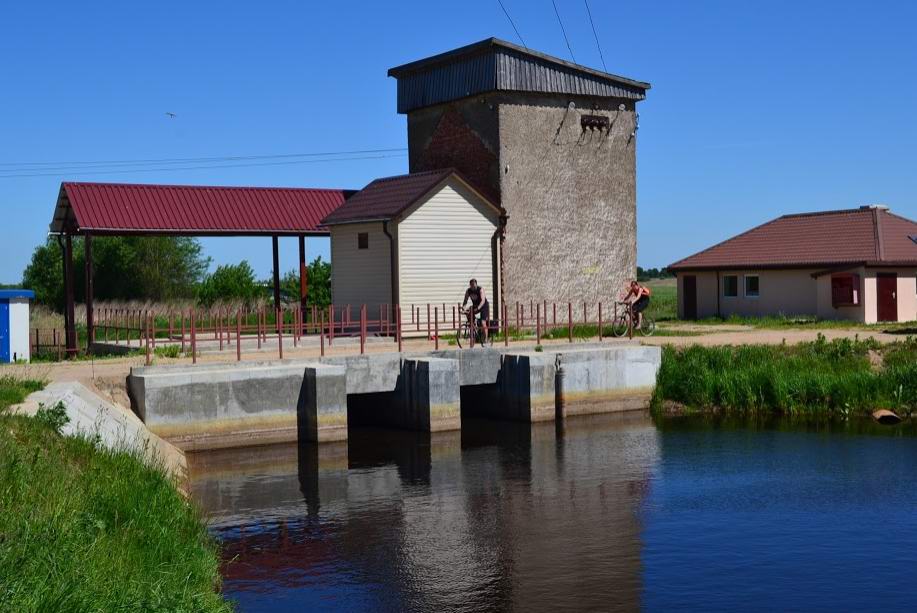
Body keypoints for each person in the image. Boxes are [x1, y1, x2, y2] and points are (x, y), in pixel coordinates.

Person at [462, 278, 490, 342]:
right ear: (470, 285)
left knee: (483, 323)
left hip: (483, 306)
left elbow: (483, 301)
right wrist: (463, 308)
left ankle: (486, 339)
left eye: (474, 286)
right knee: (468, 312)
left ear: (476, 284)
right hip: (476, 305)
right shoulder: (468, 291)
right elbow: (465, 301)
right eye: (471, 286)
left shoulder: (480, 289)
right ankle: (473, 325)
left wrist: (478, 308)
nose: (473, 287)